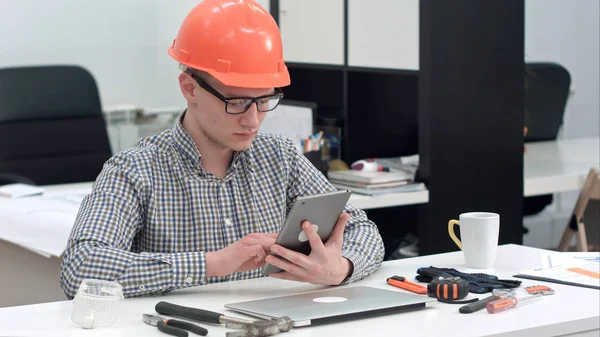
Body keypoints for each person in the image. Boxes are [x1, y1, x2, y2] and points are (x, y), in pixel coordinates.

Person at [60, 0, 384, 299]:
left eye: (264, 100)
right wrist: (212, 264)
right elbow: (80, 268)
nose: (253, 120)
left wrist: (341, 267)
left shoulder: (279, 157)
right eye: (238, 102)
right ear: (190, 88)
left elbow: (361, 229)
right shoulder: (135, 169)